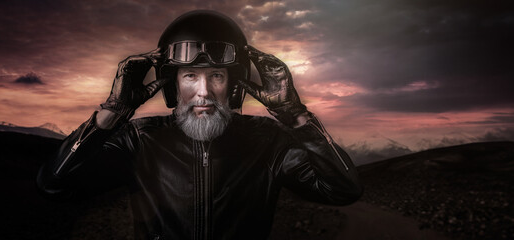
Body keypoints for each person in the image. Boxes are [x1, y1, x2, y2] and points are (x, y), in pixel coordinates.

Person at [37, 10, 362, 240]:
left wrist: (296, 116)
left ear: (234, 86)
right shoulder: (140, 139)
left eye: (216, 76)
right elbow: (55, 185)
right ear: (173, 84)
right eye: (191, 75)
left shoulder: (268, 141)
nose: (203, 91)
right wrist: (112, 113)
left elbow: (343, 190)